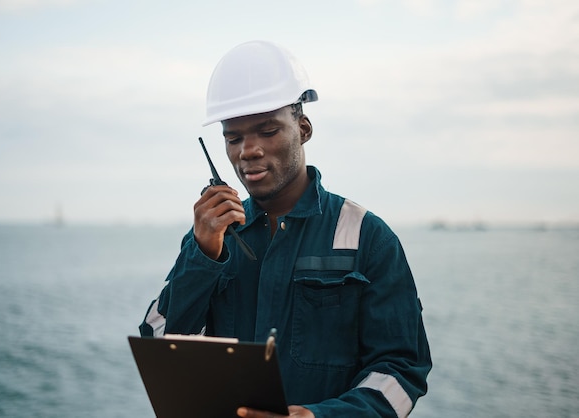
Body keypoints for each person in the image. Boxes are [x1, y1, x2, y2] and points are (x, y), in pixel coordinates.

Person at [140, 40, 432, 418]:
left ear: (303, 129)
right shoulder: (211, 239)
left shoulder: (367, 237)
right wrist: (203, 255)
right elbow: (158, 340)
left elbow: (401, 372)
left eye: (267, 131)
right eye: (234, 137)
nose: (248, 150)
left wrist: (319, 416)